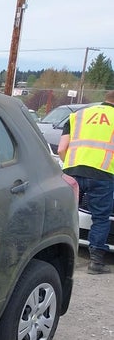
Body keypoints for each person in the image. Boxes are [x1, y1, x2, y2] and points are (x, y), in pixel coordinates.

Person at [58, 90, 114, 274]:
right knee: (100, 218)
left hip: (72, 171)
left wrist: (69, 166)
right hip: (103, 174)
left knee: (65, 213)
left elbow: (61, 149)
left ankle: (56, 253)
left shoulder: (77, 115)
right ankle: (95, 262)